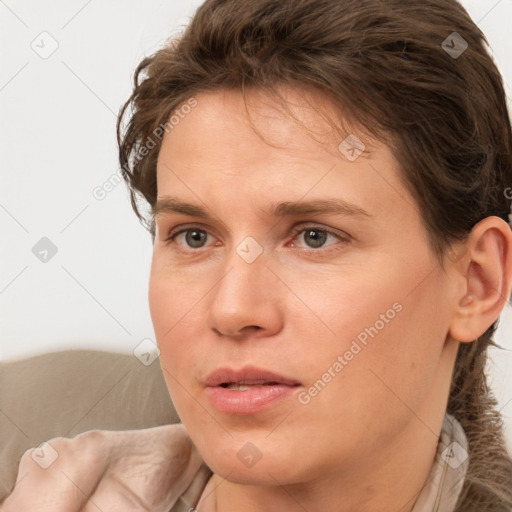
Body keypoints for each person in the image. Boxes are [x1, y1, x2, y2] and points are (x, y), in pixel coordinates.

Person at [2, 0, 512, 510]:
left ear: (476, 282)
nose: (233, 310)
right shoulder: (25, 445)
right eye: (194, 237)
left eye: (315, 237)